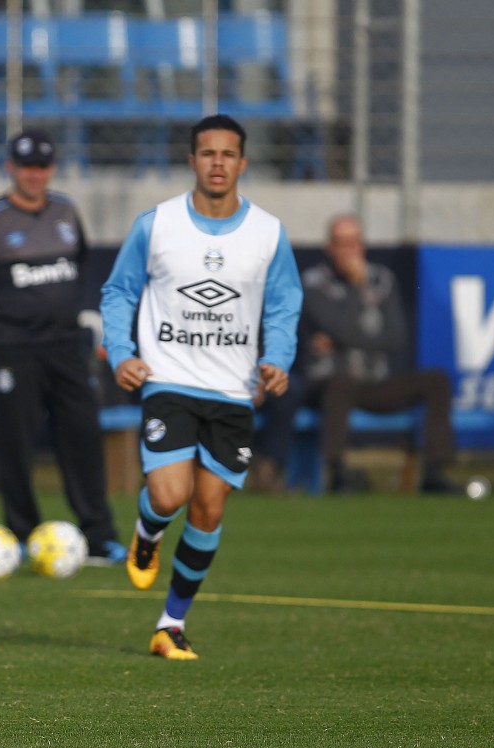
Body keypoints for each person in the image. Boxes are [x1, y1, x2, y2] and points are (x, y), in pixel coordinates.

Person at [100, 114, 301, 660]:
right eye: (207, 153)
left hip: (233, 392)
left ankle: (170, 625)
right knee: (171, 494)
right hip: (168, 379)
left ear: (243, 162)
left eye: (228, 154)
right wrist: (122, 354)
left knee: (209, 511)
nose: (217, 163)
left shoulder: (268, 233)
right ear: (191, 161)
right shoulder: (157, 224)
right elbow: (118, 292)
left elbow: (285, 303)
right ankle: (147, 530)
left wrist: (277, 358)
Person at [0, 129, 125, 563]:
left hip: (65, 346)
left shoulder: (67, 212)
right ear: (10, 168)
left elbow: (77, 267)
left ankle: (98, 534)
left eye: (41, 167)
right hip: (13, 348)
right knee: (15, 443)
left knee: (83, 438)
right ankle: (22, 532)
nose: (34, 175)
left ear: (51, 168)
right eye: (25, 167)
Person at [292, 215, 460, 494]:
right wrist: (358, 289)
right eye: (342, 243)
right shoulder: (313, 283)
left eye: (355, 242)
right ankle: (339, 472)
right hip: (328, 381)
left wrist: (342, 340)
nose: (349, 250)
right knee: (341, 382)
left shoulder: (383, 279)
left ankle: (434, 472)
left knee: (437, 380)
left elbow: (396, 337)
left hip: (374, 380)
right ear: (328, 247)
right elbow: (333, 325)